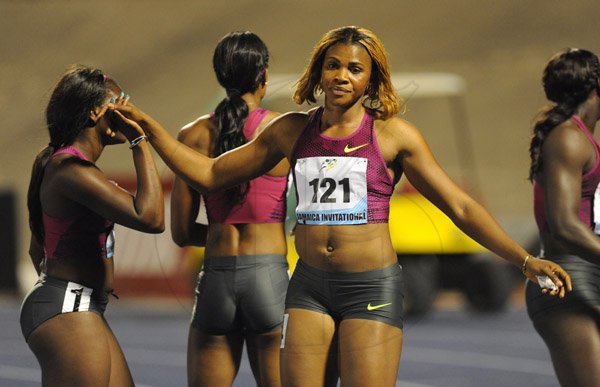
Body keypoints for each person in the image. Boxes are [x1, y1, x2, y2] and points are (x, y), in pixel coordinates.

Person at [116, 26, 572, 387]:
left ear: (371, 79)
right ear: (317, 73)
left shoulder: (395, 136)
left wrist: (525, 259)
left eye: (354, 69)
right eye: (332, 65)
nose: (341, 75)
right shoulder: (290, 130)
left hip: (369, 289)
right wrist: (148, 128)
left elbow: (460, 206)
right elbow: (211, 174)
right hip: (310, 288)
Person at [20, 65, 164, 387]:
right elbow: (151, 218)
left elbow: (35, 248)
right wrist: (138, 139)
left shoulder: (62, 164)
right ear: (96, 112)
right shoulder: (70, 170)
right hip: (69, 305)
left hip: (76, 303)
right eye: (120, 101)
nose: (126, 110)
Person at [170, 31, 290, 387]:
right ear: (264, 74)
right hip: (269, 275)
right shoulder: (282, 129)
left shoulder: (192, 136)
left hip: (216, 277)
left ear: (220, 75)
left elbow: (180, 232)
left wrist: (223, 232)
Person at [526, 48, 600, 387]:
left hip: (585, 270)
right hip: (566, 275)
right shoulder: (569, 138)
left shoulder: (580, 138)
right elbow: (566, 225)